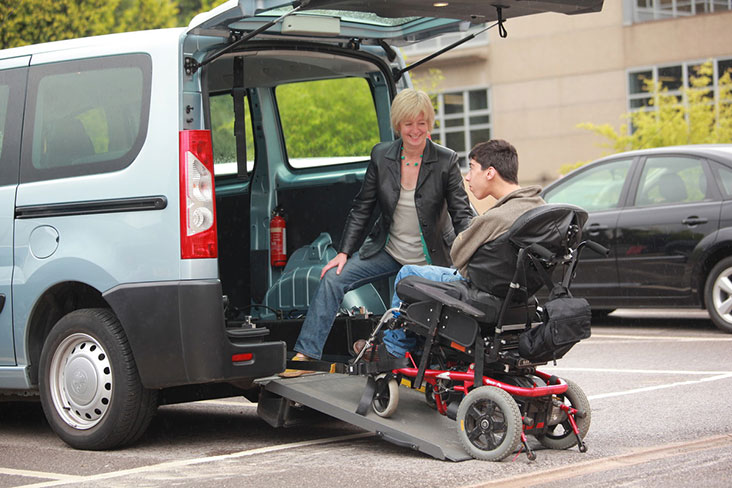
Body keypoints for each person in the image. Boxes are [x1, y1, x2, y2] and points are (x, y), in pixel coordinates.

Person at [283, 89, 474, 376]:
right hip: (388, 250)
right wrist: (344, 252)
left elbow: (462, 215)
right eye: (409, 123)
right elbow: (363, 206)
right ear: (398, 125)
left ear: (429, 124)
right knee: (332, 279)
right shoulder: (381, 155)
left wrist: (471, 257)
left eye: (421, 123)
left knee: (421, 308)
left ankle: (404, 360)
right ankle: (306, 356)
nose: (415, 130)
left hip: (429, 258)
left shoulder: (445, 160)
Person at [358, 139, 546, 359]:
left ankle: (394, 350)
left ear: (490, 173)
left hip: (484, 290)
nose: (467, 177)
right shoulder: (540, 209)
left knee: (408, 273)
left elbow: (458, 255)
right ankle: (421, 345)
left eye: (472, 168)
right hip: (520, 294)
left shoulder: (495, 218)